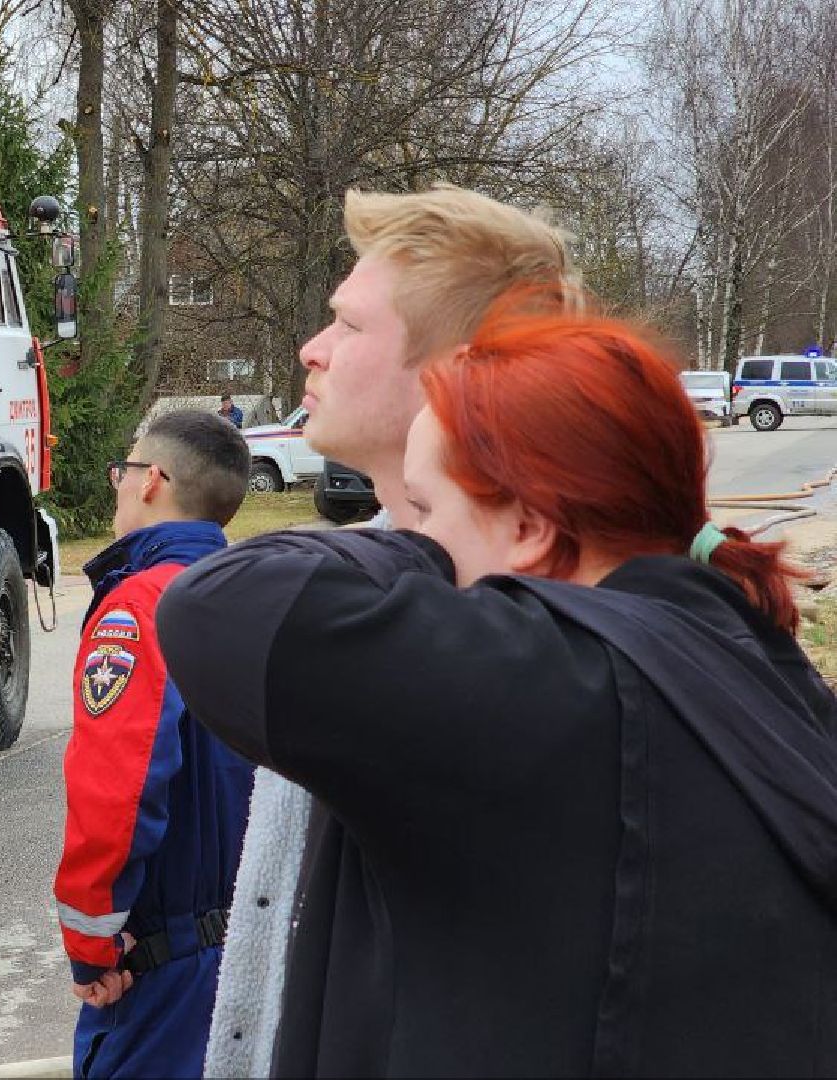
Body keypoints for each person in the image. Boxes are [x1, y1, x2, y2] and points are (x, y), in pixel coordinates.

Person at [158, 305, 837, 1076]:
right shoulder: (749, 661)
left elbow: (217, 604)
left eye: (423, 508)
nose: (407, 532)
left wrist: (410, 555)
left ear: (529, 527)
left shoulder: (557, 679)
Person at [204, 184, 579, 1078]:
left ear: (457, 367)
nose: (311, 349)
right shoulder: (369, 565)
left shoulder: (534, 619)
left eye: (348, 327)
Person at [54, 408, 255, 1079]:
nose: (117, 484)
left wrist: (90, 943)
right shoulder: (259, 594)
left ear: (152, 481)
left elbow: (117, 789)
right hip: (258, 946)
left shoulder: (139, 607)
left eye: (124, 470)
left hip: (166, 968)